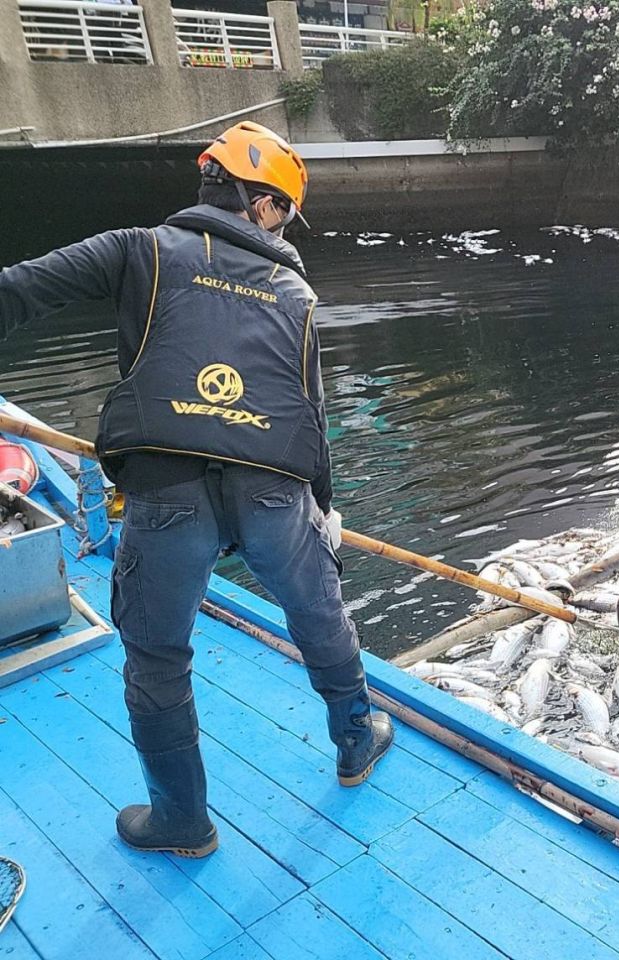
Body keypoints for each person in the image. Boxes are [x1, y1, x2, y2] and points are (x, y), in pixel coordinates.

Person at [0, 121, 393, 858]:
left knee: (157, 658)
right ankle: (355, 742)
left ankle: (183, 821)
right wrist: (326, 508)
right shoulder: (296, 292)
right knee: (319, 616)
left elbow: (15, 292)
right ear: (266, 206)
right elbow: (311, 416)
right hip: (278, 495)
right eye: (285, 211)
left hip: (168, 494)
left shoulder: (135, 248)